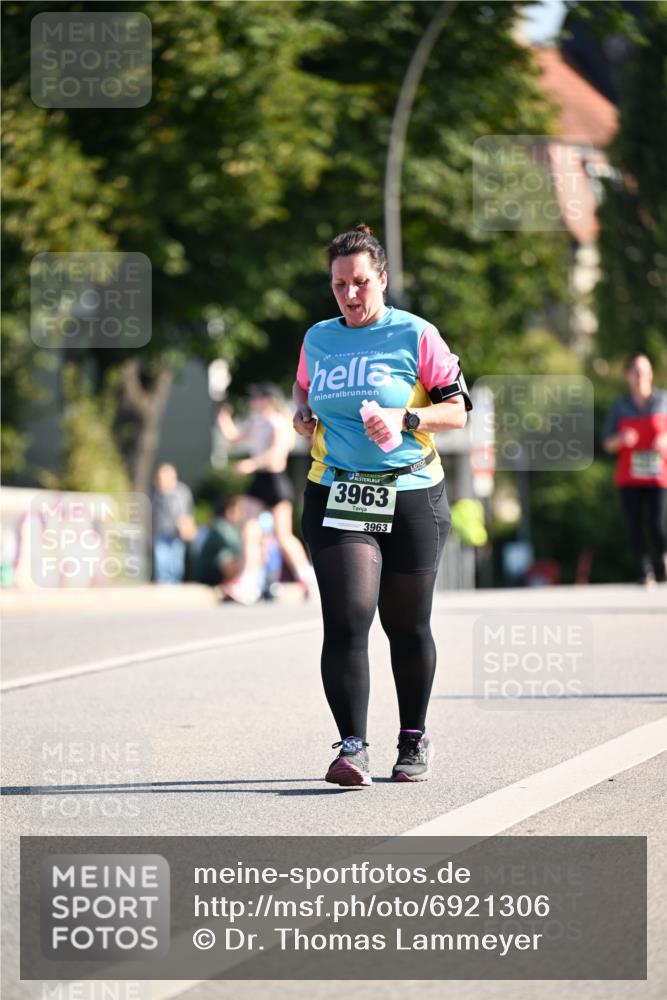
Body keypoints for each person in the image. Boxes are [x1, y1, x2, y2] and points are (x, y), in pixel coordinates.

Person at [293, 223, 472, 787]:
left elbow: (459, 411)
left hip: (412, 490)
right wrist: (303, 415)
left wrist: (406, 418)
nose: (350, 294)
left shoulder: (416, 335)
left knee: (406, 625)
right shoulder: (318, 338)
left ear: (383, 280)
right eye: (340, 283)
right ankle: (351, 747)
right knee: (347, 619)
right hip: (337, 490)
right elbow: (304, 387)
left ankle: (413, 738)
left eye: (361, 283)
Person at [217, 383, 316, 604]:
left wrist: (251, 464)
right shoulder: (258, 423)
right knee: (248, 531)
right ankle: (247, 582)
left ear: (268, 400)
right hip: (260, 480)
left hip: (275, 480)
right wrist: (222, 415)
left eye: (257, 397)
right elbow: (232, 438)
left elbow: (276, 455)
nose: (253, 401)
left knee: (282, 536)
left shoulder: (278, 423)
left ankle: (307, 577)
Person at [602, 354, 667, 586]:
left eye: (645, 371)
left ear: (651, 374)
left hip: (658, 474)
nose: (641, 377)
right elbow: (607, 443)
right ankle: (644, 572)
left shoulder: (663, 400)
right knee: (635, 525)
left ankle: (662, 562)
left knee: (658, 525)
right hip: (629, 476)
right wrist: (621, 438)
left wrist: (664, 440)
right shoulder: (620, 407)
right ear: (628, 375)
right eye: (636, 372)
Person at [151, 463, 196, 584]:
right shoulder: (156, 493)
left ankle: (174, 586)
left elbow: (188, 511)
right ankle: (164, 585)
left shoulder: (182, 492)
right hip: (160, 533)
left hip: (177, 533)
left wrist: (187, 526)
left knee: (176, 563)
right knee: (161, 562)